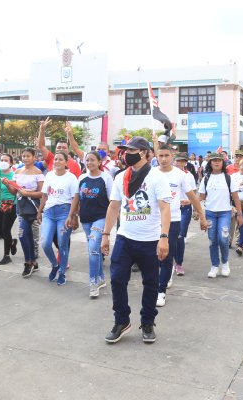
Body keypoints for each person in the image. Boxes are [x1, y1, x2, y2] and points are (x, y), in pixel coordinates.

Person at [101, 136, 171, 344]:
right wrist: (106, 234)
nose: (125, 154)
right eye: (124, 150)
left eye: (130, 150)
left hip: (150, 240)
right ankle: (121, 321)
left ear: (143, 152)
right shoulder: (120, 177)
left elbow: (165, 207)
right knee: (117, 280)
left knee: (151, 283)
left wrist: (164, 237)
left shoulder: (157, 177)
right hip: (125, 238)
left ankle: (148, 322)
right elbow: (114, 206)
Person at [154, 147, 207, 306]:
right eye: (161, 156)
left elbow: (193, 197)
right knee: (153, 256)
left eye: (166, 156)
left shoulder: (180, 175)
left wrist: (202, 217)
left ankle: (161, 291)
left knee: (166, 255)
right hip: (153, 220)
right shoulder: (151, 173)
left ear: (172, 157)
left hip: (173, 219)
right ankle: (163, 276)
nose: (163, 159)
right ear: (156, 157)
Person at [67, 151, 113, 297]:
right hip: (85, 219)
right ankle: (100, 279)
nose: (89, 163)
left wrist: (112, 224)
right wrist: (71, 216)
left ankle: (93, 282)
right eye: (87, 160)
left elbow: (113, 202)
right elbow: (76, 198)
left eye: (92, 160)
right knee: (94, 250)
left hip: (101, 218)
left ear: (99, 162)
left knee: (93, 247)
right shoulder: (81, 178)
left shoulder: (106, 178)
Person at [198, 152, 243, 278]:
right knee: (212, 241)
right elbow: (201, 197)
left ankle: (225, 263)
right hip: (210, 214)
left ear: (223, 162)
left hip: (225, 213)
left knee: (223, 239)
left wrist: (240, 214)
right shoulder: (206, 178)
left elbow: (235, 197)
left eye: (219, 160)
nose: (216, 162)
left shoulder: (228, 178)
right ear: (210, 163)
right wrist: (194, 207)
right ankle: (214, 266)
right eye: (214, 160)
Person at [38, 151, 79, 285]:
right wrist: (39, 211)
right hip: (49, 212)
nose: (57, 161)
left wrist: (72, 216)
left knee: (62, 244)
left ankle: (62, 271)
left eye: (60, 159)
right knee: (45, 243)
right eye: (55, 159)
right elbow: (44, 195)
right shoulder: (49, 175)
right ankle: (55, 265)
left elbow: (75, 198)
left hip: (64, 213)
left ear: (66, 162)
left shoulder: (71, 178)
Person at [12, 147, 45, 278]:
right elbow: (14, 191)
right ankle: (32, 261)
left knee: (25, 234)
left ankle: (29, 262)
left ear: (34, 158)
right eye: (24, 156)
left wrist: (27, 193)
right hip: (21, 207)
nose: (25, 158)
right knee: (24, 234)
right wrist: (8, 184)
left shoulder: (38, 173)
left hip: (34, 208)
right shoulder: (18, 171)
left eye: (28, 156)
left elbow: (42, 193)